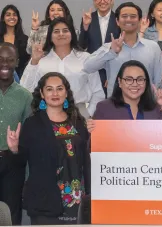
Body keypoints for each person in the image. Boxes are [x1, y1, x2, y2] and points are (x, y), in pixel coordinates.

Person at [7, 72, 90, 225]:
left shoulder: (78, 122)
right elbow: (21, 163)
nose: (55, 93)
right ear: (42, 94)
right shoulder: (32, 124)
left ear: (66, 92)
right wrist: (14, 149)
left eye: (59, 88)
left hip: (76, 198)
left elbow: (87, 158)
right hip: (44, 200)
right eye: (49, 89)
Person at [21, 17, 105, 118]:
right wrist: (34, 61)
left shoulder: (86, 58)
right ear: (50, 36)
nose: (61, 34)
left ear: (72, 34)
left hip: (79, 114)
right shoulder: (41, 59)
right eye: (56, 31)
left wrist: (88, 114)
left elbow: (98, 92)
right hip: (47, 115)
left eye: (65, 30)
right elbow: (25, 88)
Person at [83, 2, 162, 97]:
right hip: (116, 106)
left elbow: (158, 81)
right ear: (117, 21)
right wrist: (111, 52)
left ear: (139, 21)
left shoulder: (153, 47)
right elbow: (87, 67)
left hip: (145, 105)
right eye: (124, 16)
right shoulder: (109, 47)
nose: (128, 19)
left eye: (133, 16)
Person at [87, 60, 162, 133]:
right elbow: (93, 146)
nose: (135, 84)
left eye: (140, 79)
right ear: (119, 82)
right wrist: (92, 131)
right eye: (129, 79)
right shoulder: (105, 108)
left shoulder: (155, 109)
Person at [0, 42, 32, 225]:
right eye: (0, 59)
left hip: (12, 162)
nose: (5, 64)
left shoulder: (25, 96)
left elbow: (28, 138)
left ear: (17, 62)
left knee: (11, 214)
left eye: (10, 59)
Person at [78, 0, 120, 97]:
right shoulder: (88, 18)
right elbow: (82, 46)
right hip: (93, 72)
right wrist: (85, 27)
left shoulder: (118, 19)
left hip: (112, 71)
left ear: (112, 1)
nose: (102, 1)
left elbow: (122, 49)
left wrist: (113, 75)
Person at [0, 5, 30, 78]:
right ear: (3, 18)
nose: (12, 17)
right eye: (8, 15)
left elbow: (27, 61)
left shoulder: (25, 39)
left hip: (20, 77)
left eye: (14, 15)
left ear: (18, 18)